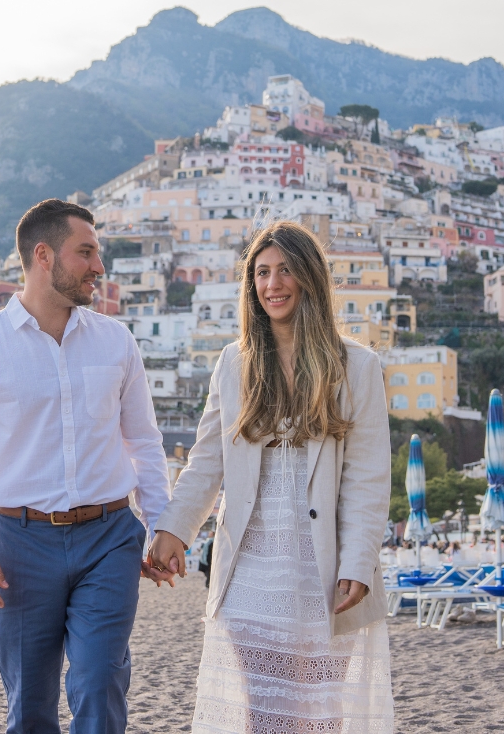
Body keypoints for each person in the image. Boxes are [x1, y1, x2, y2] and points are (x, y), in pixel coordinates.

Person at [0, 199, 171, 734]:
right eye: (86, 252)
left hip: (110, 538)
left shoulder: (117, 342)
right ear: (44, 255)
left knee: (98, 681)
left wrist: (162, 526)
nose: (99, 267)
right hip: (18, 544)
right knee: (31, 708)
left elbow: (145, 444)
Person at [148, 220, 394, 734]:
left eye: (285, 270)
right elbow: (207, 459)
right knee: (263, 715)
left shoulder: (358, 366)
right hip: (250, 568)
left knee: (323, 712)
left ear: (310, 277)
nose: (272, 284)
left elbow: (368, 478)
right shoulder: (234, 364)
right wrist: (174, 529)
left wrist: (359, 560)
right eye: (261, 272)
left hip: (324, 565)